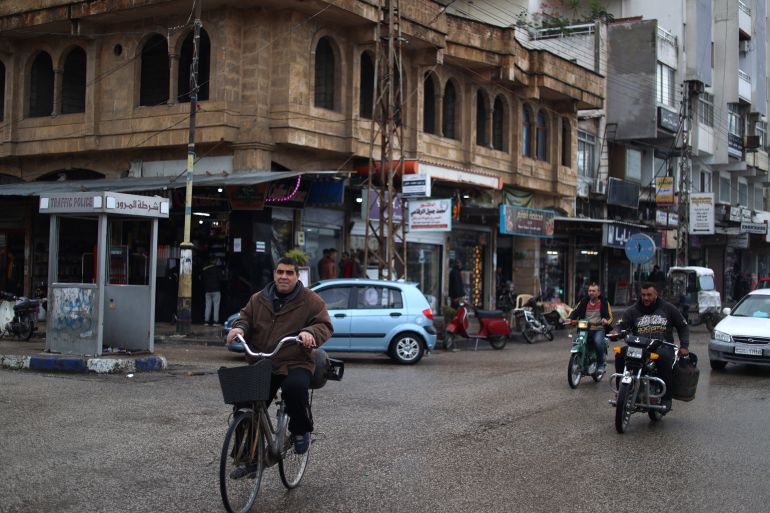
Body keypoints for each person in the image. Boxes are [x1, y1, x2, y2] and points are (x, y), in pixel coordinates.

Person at [226, 257, 333, 454]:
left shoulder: (311, 300)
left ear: (297, 275)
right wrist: (239, 329)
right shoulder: (258, 298)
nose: (284, 276)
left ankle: (301, 430)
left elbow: (324, 325)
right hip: (262, 360)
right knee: (244, 403)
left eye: (289, 273)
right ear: (274, 274)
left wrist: (310, 332)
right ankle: (247, 455)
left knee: (294, 388)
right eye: (280, 272)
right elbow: (245, 318)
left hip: (295, 360)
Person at [614, 282, 689, 413]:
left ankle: (666, 398)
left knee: (665, 359)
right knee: (620, 354)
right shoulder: (632, 310)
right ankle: (622, 390)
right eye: (643, 295)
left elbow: (682, 326)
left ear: (656, 294)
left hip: (662, 346)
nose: (646, 298)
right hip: (639, 346)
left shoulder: (668, 308)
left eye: (649, 295)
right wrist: (616, 332)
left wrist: (684, 346)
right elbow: (621, 324)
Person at [568, 283, 613, 373]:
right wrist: (570, 319)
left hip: (598, 329)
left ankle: (600, 364)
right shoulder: (584, 301)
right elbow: (575, 311)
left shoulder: (604, 302)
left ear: (598, 293)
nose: (591, 292)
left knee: (597, 342)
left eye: (593, 291)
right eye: (589, 291)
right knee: (577, 342)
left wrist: (606, 321)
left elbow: (610, 317)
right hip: (584, 329)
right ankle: (580, 360)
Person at [201, 258, 225, 326]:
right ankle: (215, 321)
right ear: (214, 262)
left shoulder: (205, 269)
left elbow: (202, 279)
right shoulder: (217, 269)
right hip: (216, 290)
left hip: (207, 290)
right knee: (216, 306)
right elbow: (221, 278)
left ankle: (206, 321)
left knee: (208, 306)